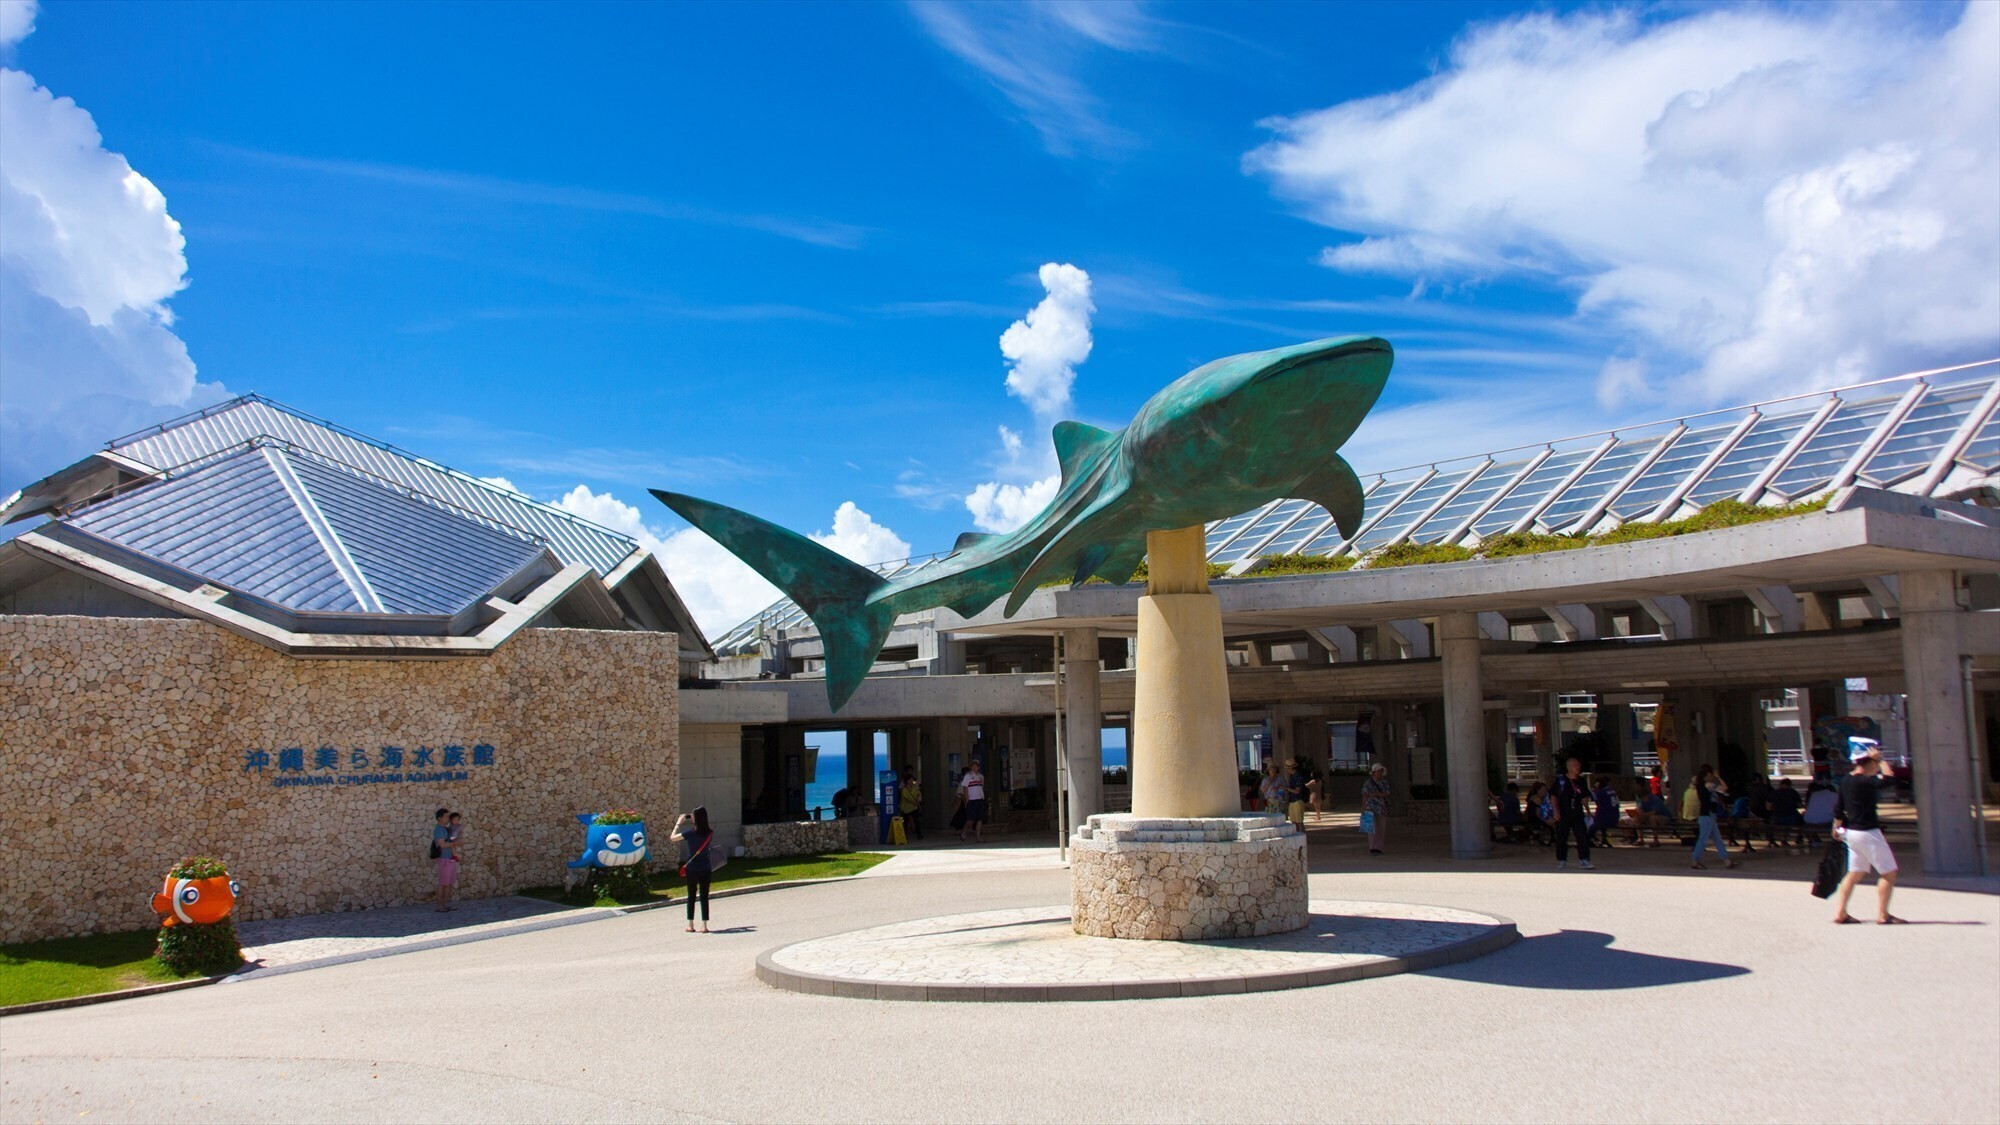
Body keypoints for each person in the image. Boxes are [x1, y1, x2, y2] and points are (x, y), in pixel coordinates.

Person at [1832, 748, 1903, 924]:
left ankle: (1840, 912)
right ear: (1869, 763)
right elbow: (1891, 779)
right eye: (1874, 765)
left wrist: (1837, 828)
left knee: (1854, 873)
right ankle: (1883, 914)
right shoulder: (1864, 781)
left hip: (1852, 833)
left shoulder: (1846, 781)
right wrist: (1880, 759)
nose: (1876, 769)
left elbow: (1838, 809)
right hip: (1868, 832)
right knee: (1889, 872)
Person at [672, 806, 716, 933]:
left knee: (691, 895)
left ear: (696, 818)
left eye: (693, 815)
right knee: (704, 896)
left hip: (692, 868)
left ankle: (690, 925)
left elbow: (672, 838)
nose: (691, 816)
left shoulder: (690, 832)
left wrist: (678, 823)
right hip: (706, 867)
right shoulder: (709, 833)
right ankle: (704, 925)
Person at [1687, 764, 1738, 870]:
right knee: (1703, 839)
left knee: (1717, 839)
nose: (1712, 777)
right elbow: (1724, 788)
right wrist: (1718, 777)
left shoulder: (1700, 785)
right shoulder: (1708, 785)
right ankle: (1695, 860)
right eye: (1711, 775)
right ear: (1707, 775)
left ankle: (1727, 861)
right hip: (1708, 815)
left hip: (1707, 815)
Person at [1550, 757, 1594, 870]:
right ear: (1569, 767)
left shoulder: (1581, 781)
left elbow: (1584, 798)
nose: (1578, 768)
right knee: (1561, 837)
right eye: (1575, 766)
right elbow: (1553, 795)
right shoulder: (1561, 781)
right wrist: (1555, 811)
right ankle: (1562, 859)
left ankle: (1584, 859)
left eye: (1579, 766)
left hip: (1577, 813)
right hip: (1563, 813)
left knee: (1582, 836)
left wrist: (1588, 811)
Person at [1361, 764, 1390, 855]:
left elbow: (1387, 793)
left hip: (1381, 807)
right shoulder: (1368, 783)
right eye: (1378, 771)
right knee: (1371, 827)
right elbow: (1365, 795)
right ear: (1374, 772)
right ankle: (1372, 847)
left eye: (1381, 771)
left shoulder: (1384, 783)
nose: (1380, 773)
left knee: (1381, 828)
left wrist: (1377, 794)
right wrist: (1363, 808)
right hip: (1370, 807)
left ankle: (1379, 847)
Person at [431, 807, 456, 912]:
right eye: (446, 817)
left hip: (450, 858)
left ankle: (445, 904)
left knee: (449, 883)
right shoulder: (438, 829)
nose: (448, 819)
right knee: (443, 883)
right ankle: (439, 905)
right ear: (440, 818)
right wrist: (454, 843)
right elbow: (442, 844)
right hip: (444, 859)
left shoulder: (446, 829)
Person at [958, 758, 987, 842]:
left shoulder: (981, 776)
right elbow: (965, 787)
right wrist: (967, 799)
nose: (975, 767)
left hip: (980, 799)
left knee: (979, 819)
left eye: (976, 766)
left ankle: (978, 837)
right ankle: (964, 831)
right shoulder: (968, 776)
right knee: (970, 819)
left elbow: (981, 787)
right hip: (972, 799)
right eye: (973, 766)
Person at [1588, 775, 1620, 848]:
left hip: (1605, 818)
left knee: (1592, 826)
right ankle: (1604, 838)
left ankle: (1586, 840)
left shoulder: (1601, 792)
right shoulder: (1612, 791)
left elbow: (1591, 796)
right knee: (1599, 820)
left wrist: (1593, 788)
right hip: (1615, 817)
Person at [1284, 759, 1307, 831]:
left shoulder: (1298, 777)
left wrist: (1287, 788)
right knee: (1293, 822)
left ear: (1290, 768)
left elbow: (1297, 791)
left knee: (1299, 822)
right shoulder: (1292, 776)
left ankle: (1302, 837)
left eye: (1288, 768)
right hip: (1292, 801)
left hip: (1298, 800)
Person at [898, 774, 924, 840]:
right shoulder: (904, 790)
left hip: (914, 807)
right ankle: (905, 835)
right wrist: (913, 802)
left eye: (912, 780)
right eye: (910, 780)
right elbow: (906, 798)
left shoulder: (915, 789)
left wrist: (918, 804)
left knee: (916, 821)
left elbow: (917, 796)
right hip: (906, 808)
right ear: (907, 781)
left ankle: (919, 834)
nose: (912, 781)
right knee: (905, 822)